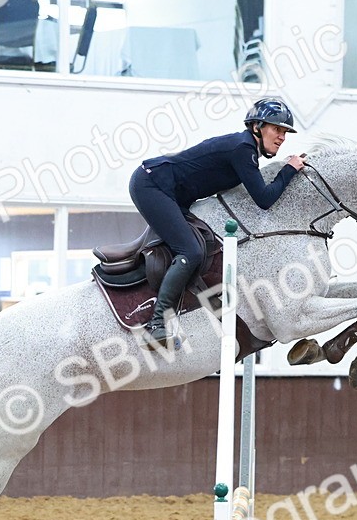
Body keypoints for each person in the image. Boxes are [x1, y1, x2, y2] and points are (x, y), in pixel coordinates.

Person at [130, 97, 305, 347]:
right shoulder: (243, 149)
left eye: (285, 132)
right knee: (190, 251)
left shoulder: (245, 150)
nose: (282, 137)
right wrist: (289, 169)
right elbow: (264, 199)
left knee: (197, 246)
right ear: (257, 127)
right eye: (277, 129)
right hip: (152, 185)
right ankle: (155, 325)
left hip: (169, 192)